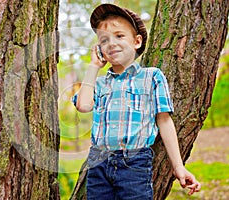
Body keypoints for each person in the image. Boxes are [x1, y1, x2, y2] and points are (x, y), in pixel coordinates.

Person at [72, 3, 201, 200]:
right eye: (104, 40)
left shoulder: (152, 77)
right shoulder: (98, 84)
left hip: (134, 163)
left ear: (137, 41)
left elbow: (164, 121)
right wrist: (93, 66)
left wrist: (178, 167)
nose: (111, 43)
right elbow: (83, 106)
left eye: (119, 36)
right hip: (99, 162)